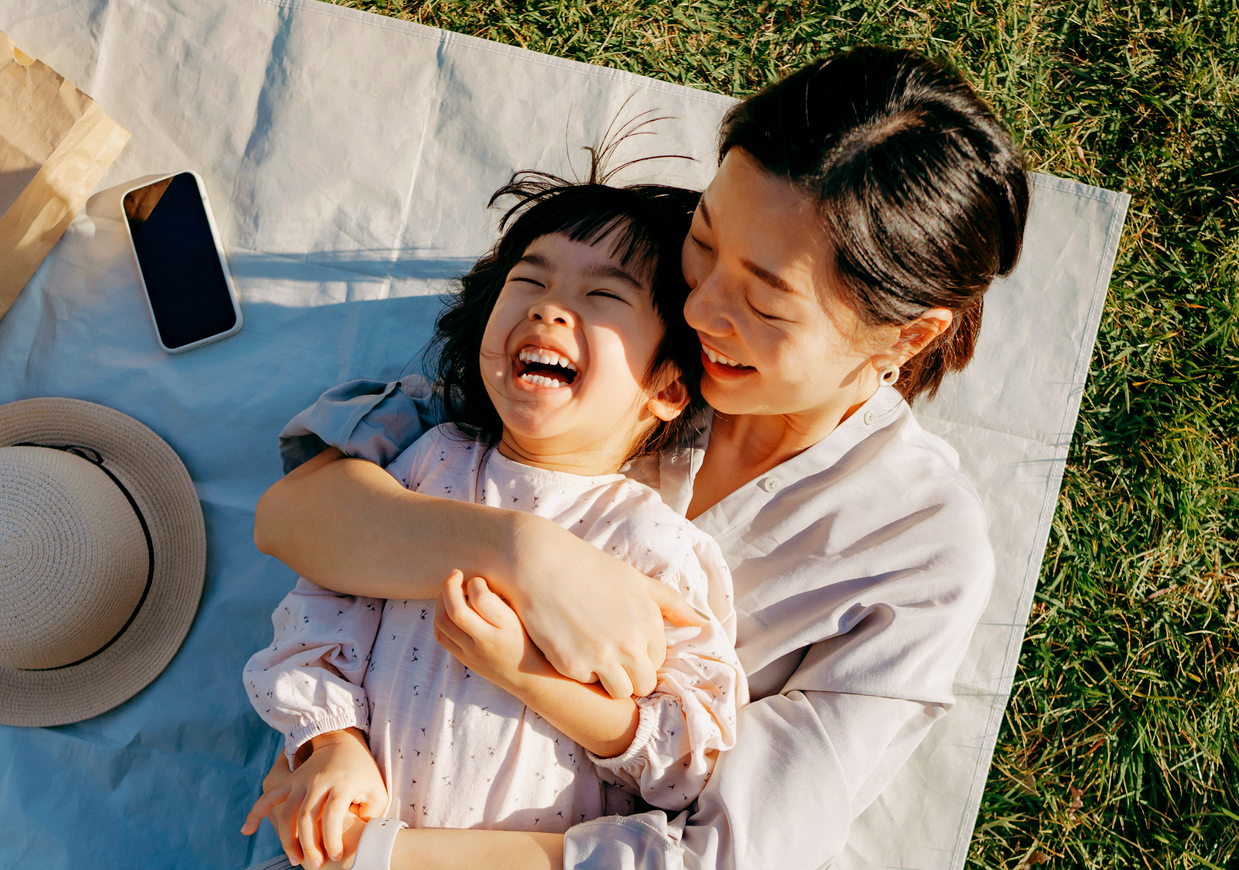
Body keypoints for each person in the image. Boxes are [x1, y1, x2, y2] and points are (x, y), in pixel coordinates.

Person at [252, 45, 1029, 870]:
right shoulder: (621, 309)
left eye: (764, 300)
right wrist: (526, 556)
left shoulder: (915, 558)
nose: (699, 304)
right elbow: (299, 517)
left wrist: (384, 853)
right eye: (704, 238)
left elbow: (727, 854)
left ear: (906, 335)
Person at [240, 162, 748, 869]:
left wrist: (527, 673)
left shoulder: (654, 545)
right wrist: (331, 745)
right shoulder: (427, 464)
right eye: (529, 282)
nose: (547, 310)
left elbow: (683, 758)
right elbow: (320, 614)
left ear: (667, 385)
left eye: (601, 294)